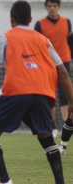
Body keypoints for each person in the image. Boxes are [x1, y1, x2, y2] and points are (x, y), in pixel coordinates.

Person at [0, 1, 73, 184]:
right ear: (30, 19)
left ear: (11, 19)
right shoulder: (43, 40)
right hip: (42, 94)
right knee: (47, 139)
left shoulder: (6, 37)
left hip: (15, 93)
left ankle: (5, 181)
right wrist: (72, 101)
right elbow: (63, 73)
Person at [34, 0, 72, 138]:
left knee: (65, 95)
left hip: (64, 62)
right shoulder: (40, 24)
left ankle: (67, 126)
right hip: (46, 63)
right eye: (49, 6)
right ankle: (51, 126)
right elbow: (36, 44)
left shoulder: (67, 22)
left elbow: (68, 41)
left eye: (54, 6)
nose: (52, 8)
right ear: (46, 7)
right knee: (49, 95)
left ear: (59, 7)